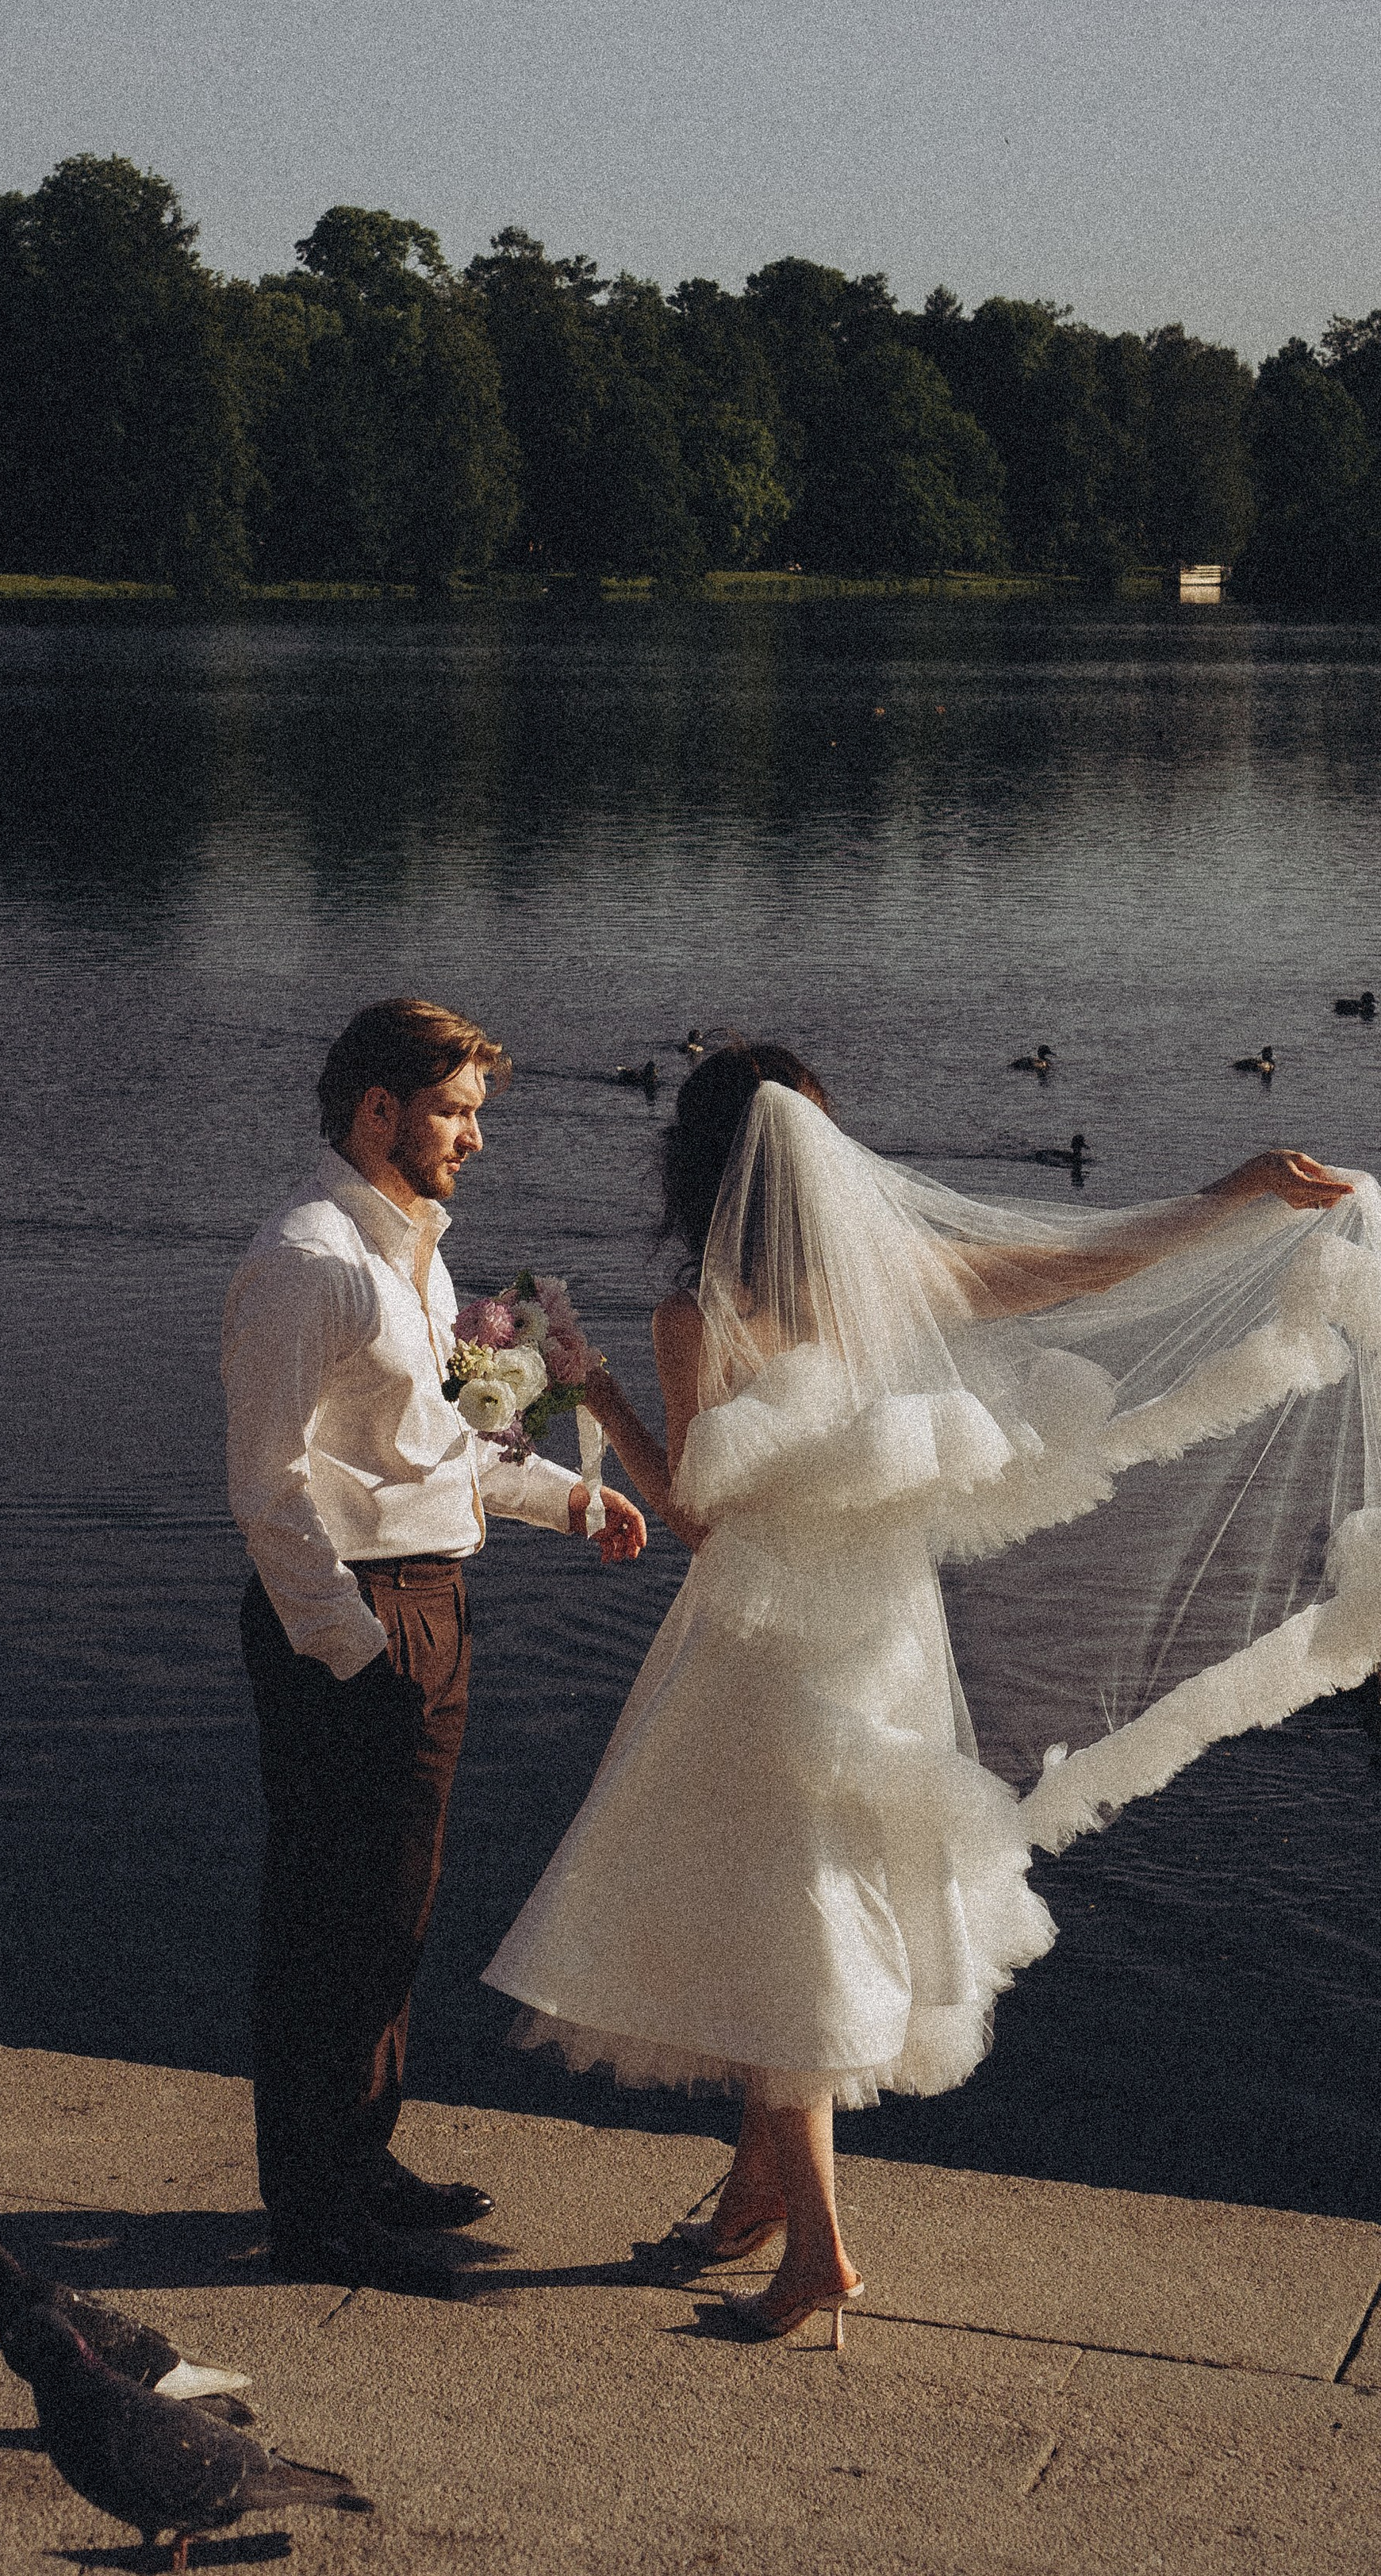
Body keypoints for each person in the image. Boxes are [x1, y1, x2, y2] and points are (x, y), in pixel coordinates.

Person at [484, 1039, 1379, 2348]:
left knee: (785, 1908)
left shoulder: (703, 1316)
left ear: (698, 1170)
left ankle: (822, 2260)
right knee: (811, 1882)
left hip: (766, 1643)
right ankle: (753, 2198)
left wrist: (598, 1390)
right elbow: (1090, 1263)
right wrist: (1236, 1189)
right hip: (888, 1638)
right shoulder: (891, 1278)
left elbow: (696, 1517)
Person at [224, 997, 647, 2291]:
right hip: (350, 1618)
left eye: (474, 1113)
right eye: (455, 1112)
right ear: (377, 1114)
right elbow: (269, 1488)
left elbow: (438, 1452)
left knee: (391, 1913)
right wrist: (351, 1654)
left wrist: (566, 1498)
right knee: (329, 1922)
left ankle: (361, 2161)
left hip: (429, 1600)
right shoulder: (313, 1262)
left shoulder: (417, 1257)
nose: (473, 1137)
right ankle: (312, 2215)